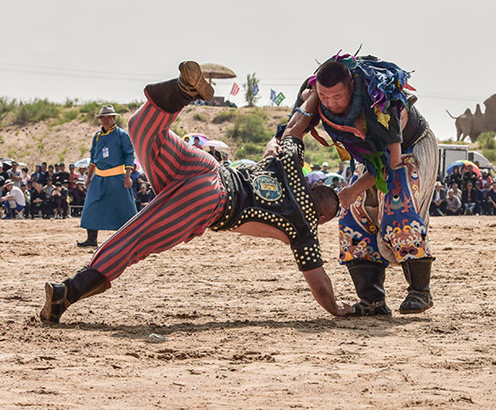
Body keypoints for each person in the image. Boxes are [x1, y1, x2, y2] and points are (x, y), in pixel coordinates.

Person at [41, 61, 352, 324]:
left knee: (142, 130)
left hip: (205, 167)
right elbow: (319, 282)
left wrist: (314, 92)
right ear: (323, 217)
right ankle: (68, 291)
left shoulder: (288, 167)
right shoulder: (304, 227)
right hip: (211, 199)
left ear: (314, 186)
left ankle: (182, 90)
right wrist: (337, 308)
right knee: (135, 237)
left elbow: (294, 127)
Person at [264, 53, 436, 316]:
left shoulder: (380, 102)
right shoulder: (312, 96)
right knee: (352, 218)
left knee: (397, 208)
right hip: (369, 159)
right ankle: (372, 300)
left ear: (352, 87)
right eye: (325, 97)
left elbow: (392, 162)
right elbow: (292, 129)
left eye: (337, 97)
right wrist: (276, 145)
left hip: (407, 148)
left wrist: (354, 189)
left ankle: (419, 292)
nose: (330, 103)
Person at [76, 105, 138, 247]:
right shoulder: (97, 136)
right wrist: (89, 178)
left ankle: (130, 239)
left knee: (124, 208)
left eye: (109, 117)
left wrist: (127, 176)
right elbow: (93, 158)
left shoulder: (122, 135)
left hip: (117, 178)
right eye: (103, 117)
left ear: (114, 118)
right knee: (91, 206)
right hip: (98, 178)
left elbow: (129, 154)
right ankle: (91, 239)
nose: (106, 120)